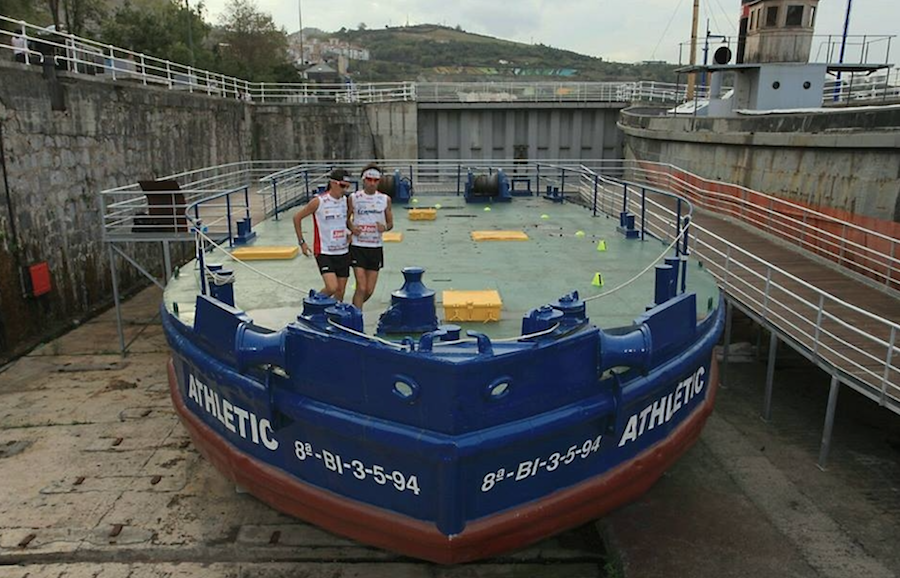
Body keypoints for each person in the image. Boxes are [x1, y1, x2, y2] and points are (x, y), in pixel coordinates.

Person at [293, 168, 352, 301]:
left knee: (340, 291)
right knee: (331, 287)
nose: (345, 189)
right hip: (325, 251)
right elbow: (297, 218)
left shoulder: (345, 201)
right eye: (343, 186)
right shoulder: (319, 201)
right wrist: (302, 242)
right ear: (333, 183)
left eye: (347, 186)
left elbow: (345, 221)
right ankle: (313, 304)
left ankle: (334, 318)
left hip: (343, 251)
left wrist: (349, 232)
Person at [347, 163, 393, 310]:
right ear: (363, 180)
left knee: (369, 290)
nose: (372, 183)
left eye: (375, 180)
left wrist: (384, 227)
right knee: (361, 286)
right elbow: (346, 219)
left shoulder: (385, 199)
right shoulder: (354, 198)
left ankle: (352, 309)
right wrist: (352, 228)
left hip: (375, 247)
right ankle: (356, 320)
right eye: (369, 180)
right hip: (358, 246)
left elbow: (391, 223)